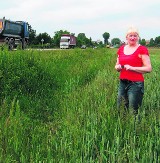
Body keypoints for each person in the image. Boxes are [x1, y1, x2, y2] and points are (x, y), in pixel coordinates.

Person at [115, 26, 152, 115]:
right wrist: (117, 67)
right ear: (126, 37)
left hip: (136, 84)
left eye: (135, 35)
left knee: (133, 111)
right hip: (123, 83)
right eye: (130, 35)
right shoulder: (121, 49)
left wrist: (132, 68)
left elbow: (148, 68)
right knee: (120, 109)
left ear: (138, 37)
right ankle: (123, 127)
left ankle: (134, 128)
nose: (132, 38)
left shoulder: (142, 49)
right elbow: (117, 64)